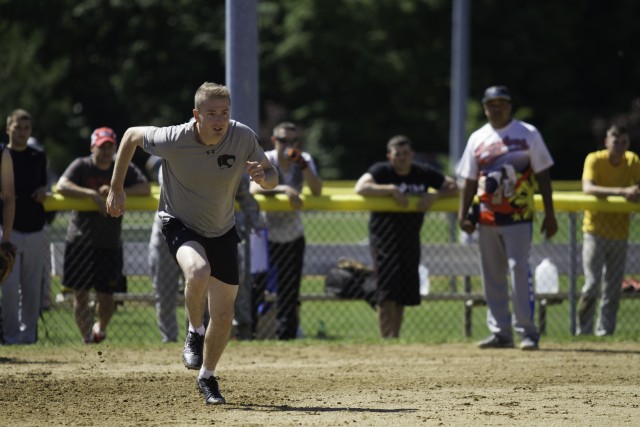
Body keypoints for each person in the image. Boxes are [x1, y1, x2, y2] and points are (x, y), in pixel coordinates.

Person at [106, 82, 277, 405]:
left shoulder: (241, 136)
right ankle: (194, 331)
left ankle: (208, 377)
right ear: (196, 115)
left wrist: (263, 177)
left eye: (224, 113)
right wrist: (117, 187)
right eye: (211, 113)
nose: (219, 120)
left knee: (224, 315)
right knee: (198, 272)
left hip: (222, 228)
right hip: (179, 222)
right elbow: (129, 135)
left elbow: (272, 176)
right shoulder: (174, 138)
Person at [456, 85, 558, 351]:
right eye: (492, 104)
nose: (497, 108)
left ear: (510, 106)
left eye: (502, 103)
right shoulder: (477, 138)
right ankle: (500, 331)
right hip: (487, 217)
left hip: (519, 215)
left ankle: (526, 331)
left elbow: (543, 175)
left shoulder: (528, 134)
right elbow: (468, 179)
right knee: (491, 275)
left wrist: (550, 214)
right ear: (484, 108)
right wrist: (463, 213)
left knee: (518, 270)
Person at [146, 155, 262, 343]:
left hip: (206, 232)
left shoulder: (229, 161)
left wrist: (254, 223)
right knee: (164, 291)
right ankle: (168, 341)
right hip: (168, 231)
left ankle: (198, 339)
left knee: (204, 289)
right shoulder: (175, 155)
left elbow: (245, 197)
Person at [355, 135, 457, 338]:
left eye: (405, 154)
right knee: (387, 292)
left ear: (412, 155)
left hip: (410, 239)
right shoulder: (382, 171)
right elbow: (361, 187)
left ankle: (395, 337)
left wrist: (435, 195)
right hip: (384, 239)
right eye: (397, 154)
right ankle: (386, 338)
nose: (401, 158)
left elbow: (454, 187)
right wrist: (390, 189)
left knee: (402, 292)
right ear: (389, 156)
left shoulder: (422, 172)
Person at [56, 127, 150, 344]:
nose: (106, 151)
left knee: (106, 298)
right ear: (92, 147)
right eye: (102, 146)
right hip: (80, 240)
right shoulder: (82, 165)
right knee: (80, 294)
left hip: (109, 242)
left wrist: (116, 189)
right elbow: (62, 185)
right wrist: (91, 194)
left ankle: (101, 328)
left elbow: (144, 187)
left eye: (110, 146)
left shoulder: (122, 165)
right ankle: (86, 337)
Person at [249, 122, 322, 340]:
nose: (288, 145)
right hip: (265, 234)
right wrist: (284, 188)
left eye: (293, 141)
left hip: (292, 233)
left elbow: (317, 190)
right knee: (257, 287)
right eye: (283, 140)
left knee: (290, 289)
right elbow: (254, 187)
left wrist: (304, 166)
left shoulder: (304, 160)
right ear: (274, 141)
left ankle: (286, 336)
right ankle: (250, 332)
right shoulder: (267, 159)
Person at [577, 125, 640, 336]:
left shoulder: (632, 161)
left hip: (620, 232)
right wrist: (622, 191)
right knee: (592, 284)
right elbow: (588, 188)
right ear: (607, 142)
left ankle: (605, 333)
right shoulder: (594, 159)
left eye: (624, 142)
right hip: (595, 231)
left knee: (613, 289)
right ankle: (583, 331)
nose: (620, 147)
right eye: (616, 142)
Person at [1, 109, 47, 345]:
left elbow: (43, 184)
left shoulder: (37, 156)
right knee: (8, 285)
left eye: (26, 128)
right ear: (8, 128)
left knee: (31, 287)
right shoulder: (4, 154)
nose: (22, 132)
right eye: (17, 127)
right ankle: (10, 336)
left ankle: (28, 337)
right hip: (9, 228)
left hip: (35, 226)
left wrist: (43, 190)